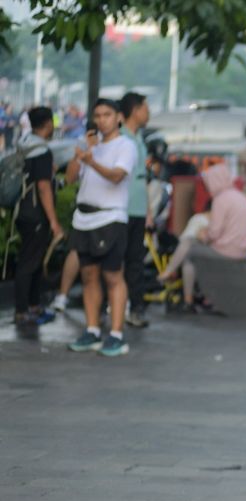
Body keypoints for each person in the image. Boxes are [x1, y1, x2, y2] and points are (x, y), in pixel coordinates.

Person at [65, 98, 139, 357]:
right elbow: (69, 178)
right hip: (84, 218)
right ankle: (93, 329)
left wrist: (92, 161)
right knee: (88, 276)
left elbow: (117, 177)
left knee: (112, 276)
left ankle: (116, 334)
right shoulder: (91, 146)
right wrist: (84, 153)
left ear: (118, 117)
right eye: (97, 115)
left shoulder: (126, 146)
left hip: (111, 219)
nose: (102, 120)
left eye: (107, 114)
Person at [156, 163, 246, 309]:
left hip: (226, 251)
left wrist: (203, 234)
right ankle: (172, 274)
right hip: (242, 250)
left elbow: (214, 233)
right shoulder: (240, 196)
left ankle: (185, 297)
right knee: (190, 246)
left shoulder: (221, 199)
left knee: (189, 251)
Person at [11, 106, 62, 328]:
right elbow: (43, 187)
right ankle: (23, 310)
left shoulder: (24, 143)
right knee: (29, 262)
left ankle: (32, 306)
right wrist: (53, 221)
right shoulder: (41, 150)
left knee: (31, 259)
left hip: (21, 210)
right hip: (35, 213)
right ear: (48, 123)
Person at [119, 92, 152, 329]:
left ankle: (135, 308)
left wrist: (148, 210)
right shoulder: (120, 139)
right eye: (145, 108)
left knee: (135, 260)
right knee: (117, 261)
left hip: (138, 208)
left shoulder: (138, 137)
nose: (148, 113)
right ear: (135, 110)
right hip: (121, 208)